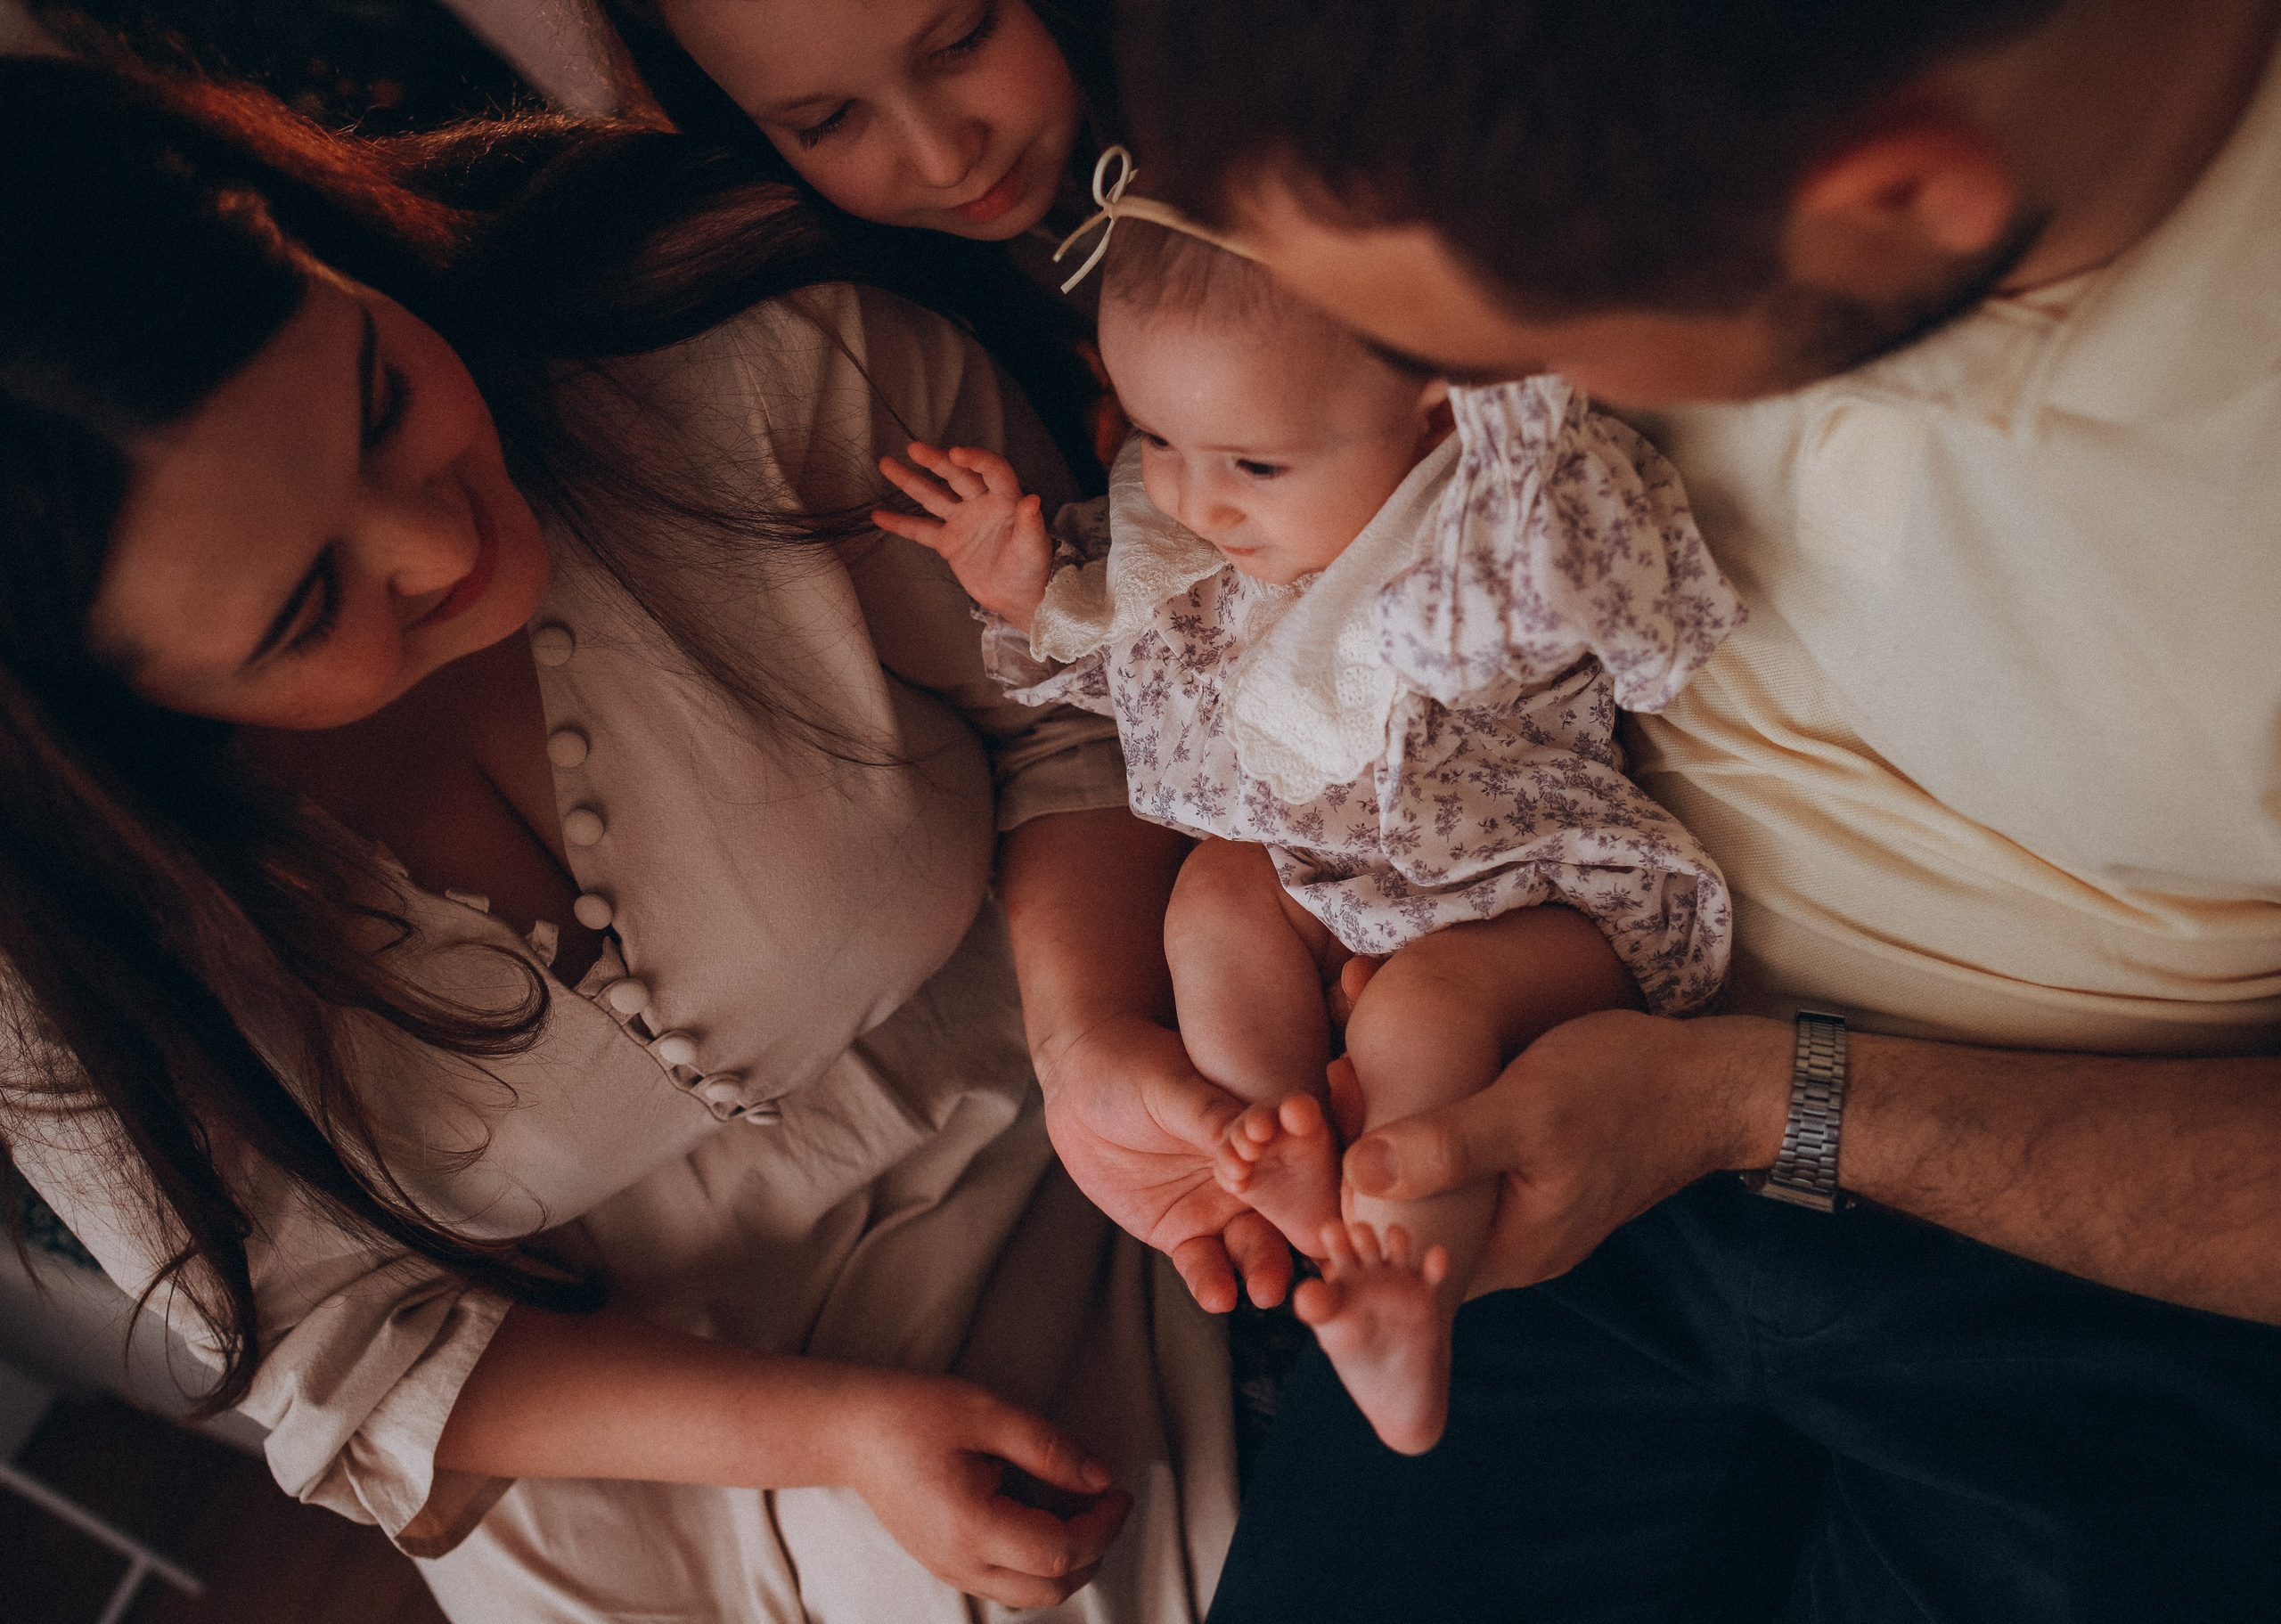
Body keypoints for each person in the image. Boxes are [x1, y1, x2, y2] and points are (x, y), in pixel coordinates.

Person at [0, 54, 1238, 1623]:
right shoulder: (70, 962)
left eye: (379, 398)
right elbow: (344, 1350)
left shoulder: (753, 365)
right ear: (121, 735)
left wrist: (1092, 1035)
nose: (446, 542)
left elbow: (1079, 715)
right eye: (305, 609)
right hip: (622, 1452)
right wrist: (837, 1442)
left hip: (1052, 1143)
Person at [1096, 1, 2281, 1619]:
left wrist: (1748, 1098)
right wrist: (1133, 984)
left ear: (1899, 201)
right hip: (1537, 1111)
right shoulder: (1566, 111)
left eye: (1518, 357)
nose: (1471, 427)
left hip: (2106, 1243)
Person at [873, 192, 1741, 1453]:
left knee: (1419, 1010)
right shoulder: (1210, 528)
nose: (1197, 500)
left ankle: (1405, 1298)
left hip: (1531, 901)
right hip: (1319, 879)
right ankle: (1263, 1128)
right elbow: (1128, 666)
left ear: (1439, 408)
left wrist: (1503, 413)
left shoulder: (1476, 536)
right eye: (1156, 435)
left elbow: (1598, 593)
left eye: (1253, 466)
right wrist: (1029, 590)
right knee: (1214, 895)